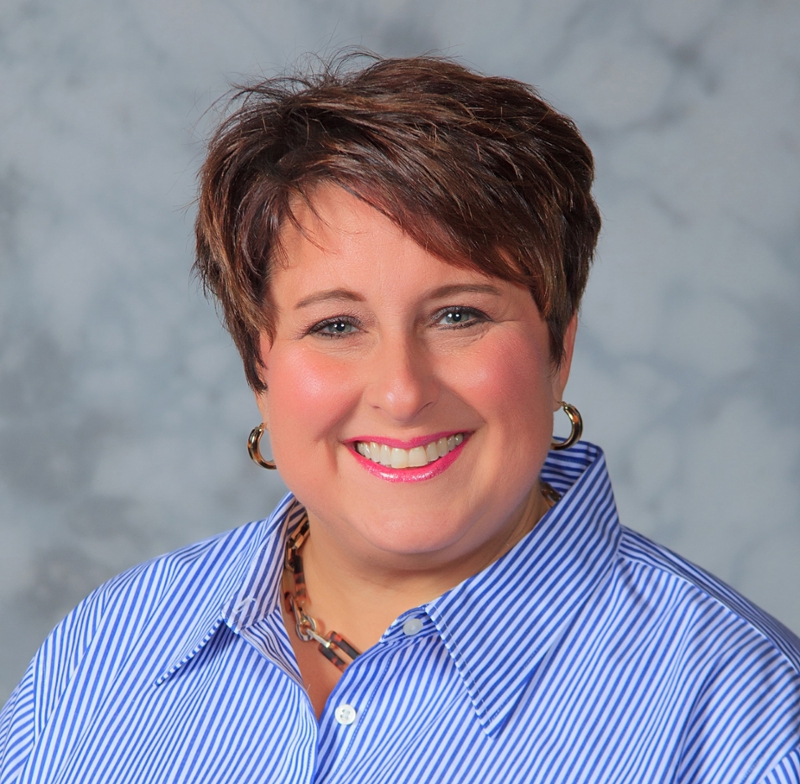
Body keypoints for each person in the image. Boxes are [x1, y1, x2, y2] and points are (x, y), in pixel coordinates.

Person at [1, 53, 799, 783]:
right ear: (259, 367)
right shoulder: (105, 651)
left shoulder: (742, 715)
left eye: (459, 316)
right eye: (335, 326)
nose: (403, 391)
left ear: (559, 349)